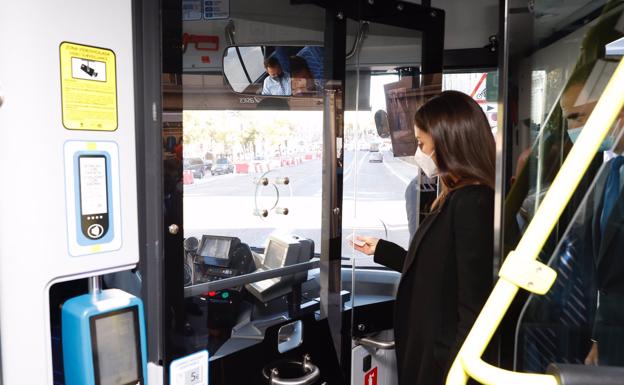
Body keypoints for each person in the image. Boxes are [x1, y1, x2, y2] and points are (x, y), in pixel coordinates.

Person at [351, 90, 495, 385]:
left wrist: (453, 374)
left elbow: (474, 308)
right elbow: (437, 270)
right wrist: (382, 250)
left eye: (421, 143)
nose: (419, 153)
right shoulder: (455, 197)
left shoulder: (474, 203)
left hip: (442, 367)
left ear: (448, 143)